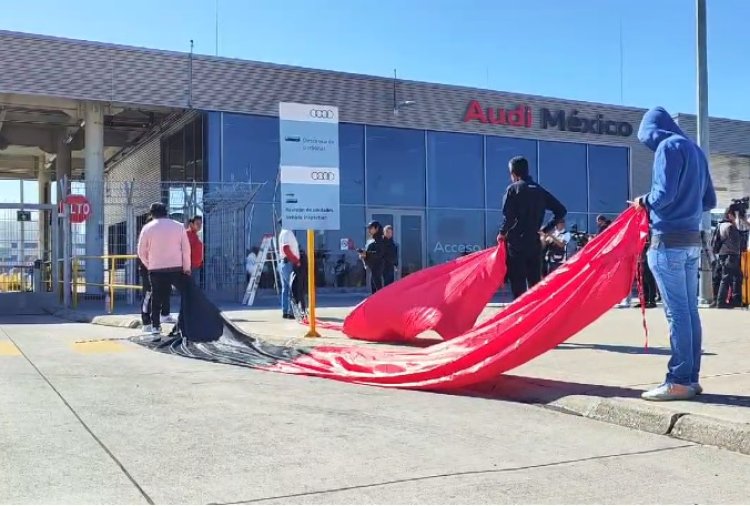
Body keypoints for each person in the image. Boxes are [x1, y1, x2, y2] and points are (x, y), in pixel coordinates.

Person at [633, 106, 716, 401]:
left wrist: (642, 201)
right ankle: (690, 378)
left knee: (677, 313)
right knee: (690, 312)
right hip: (692, 240)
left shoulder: (667, 148)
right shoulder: (695, 150)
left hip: (667, 241)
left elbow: (663, 196)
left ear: (652, 132)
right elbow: (710, 200)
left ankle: (678, 380)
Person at [497, 156, 567, 299]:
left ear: (513, 173)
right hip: (534, 243)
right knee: (535, 284)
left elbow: (509, 217)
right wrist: (545, 229)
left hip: (516, 243)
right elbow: (561, 210)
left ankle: (519, 315)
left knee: (518, 284)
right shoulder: (540, 191)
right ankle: (536, 315)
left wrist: (502, 233)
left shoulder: (513, 189)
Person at [137, 202, 191, 338]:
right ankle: (183, 324)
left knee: (156, 297)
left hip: (156, 268)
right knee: (184, 295)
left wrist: (149, 264)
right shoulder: (179, 227)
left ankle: (155, 326)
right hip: (176, 267)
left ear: (152, 213)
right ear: (166, 212)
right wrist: (187, 267)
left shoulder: (147, 228)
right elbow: (186, 249)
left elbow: (141, 251)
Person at [713, 207, 743, 308]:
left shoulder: (720, 225)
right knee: (727, 278)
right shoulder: (730, 226)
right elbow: (736, 242)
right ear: (730, 215)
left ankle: (735, 300)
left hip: (723, 254)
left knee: (736, 276)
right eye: (734, 216)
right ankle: (721, 302)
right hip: (731, 255)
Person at [278, 220, 301, 319]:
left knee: (286, 289)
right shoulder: (287, 232)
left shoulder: (283, 233)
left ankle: (285, 311)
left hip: (284, 263)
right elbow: (286, 248)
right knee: (292, 287)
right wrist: (296, 260)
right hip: (289, 263)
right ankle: (291, 312)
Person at [360, 221, 385, 294]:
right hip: (372, 267)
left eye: (371, 228)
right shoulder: (370, 240)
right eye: (368, 228)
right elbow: (369, 252)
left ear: (376, 228)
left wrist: (366, 253)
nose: (369, 230)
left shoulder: (381, 240)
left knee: (378, 286)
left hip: (379, 266)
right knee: (374, 286)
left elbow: (379, 254)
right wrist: (363, 254)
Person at [186, 216, 204, 286]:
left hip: (196, 266)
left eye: (201, 224)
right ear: (191, 224)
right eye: (197, 223)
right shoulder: (188, 235)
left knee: (193, 289)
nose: (200, 226)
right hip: (190, 267)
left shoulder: (196, 235)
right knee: (191, 289)